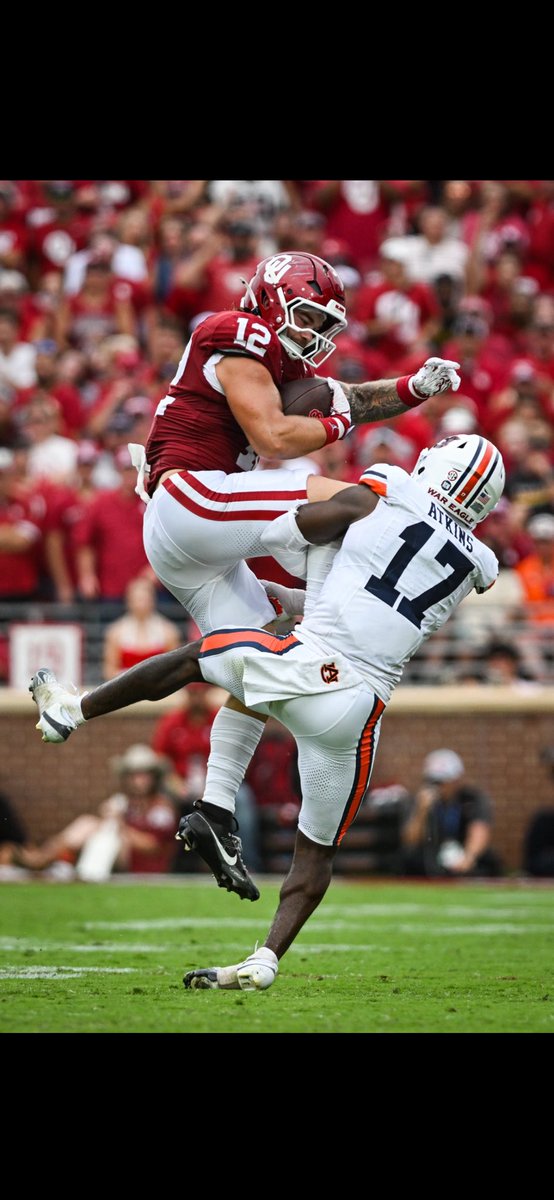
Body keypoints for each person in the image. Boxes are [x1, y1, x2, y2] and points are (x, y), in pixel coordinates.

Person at [30, 430, 505, 988]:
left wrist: (271, 538)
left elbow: (338, 516)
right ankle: (266, 957)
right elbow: (388, 594)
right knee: (316, 851)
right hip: (361, 711)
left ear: (439, 466)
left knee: (196, 658)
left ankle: (74, 711)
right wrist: (308, 599)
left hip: (315, 664)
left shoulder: (394, 484)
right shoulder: (483, 561)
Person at [126, 249, 461, 900]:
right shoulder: (235, 330)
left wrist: (413, 389)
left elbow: (352, 398)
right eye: (305, 316)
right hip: (192, 497)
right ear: (273, 296)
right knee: (366, 505)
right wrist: (334, 421)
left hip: (197, 530)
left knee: (255, 656)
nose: (310, 337)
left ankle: (214, 811)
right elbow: (279, 437)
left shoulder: (283, 358)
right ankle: (324, 599)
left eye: (322, 327)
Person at [14, 743, 178, 879]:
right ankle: (56, 862)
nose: (138, 781)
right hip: (120, 855)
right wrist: (108, 819)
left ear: (154, 777)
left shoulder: (161, 808)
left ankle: (49, 861)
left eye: (144, 775)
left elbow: (151, 847)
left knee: (96, 827)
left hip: (145, 866)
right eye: (133, 775)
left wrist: (118, 823)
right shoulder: (124, 802)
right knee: (89, 823)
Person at [400, 748, 502, 878]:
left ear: (456, 780)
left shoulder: (471, 798)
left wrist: (468, 857)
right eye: (432, 781)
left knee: (489, 861)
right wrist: (422, 812)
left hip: (462, 851)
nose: (437, 786)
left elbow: (479, 829)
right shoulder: (419, 801)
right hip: (433, 856)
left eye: (441, 781)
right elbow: (410, 840)